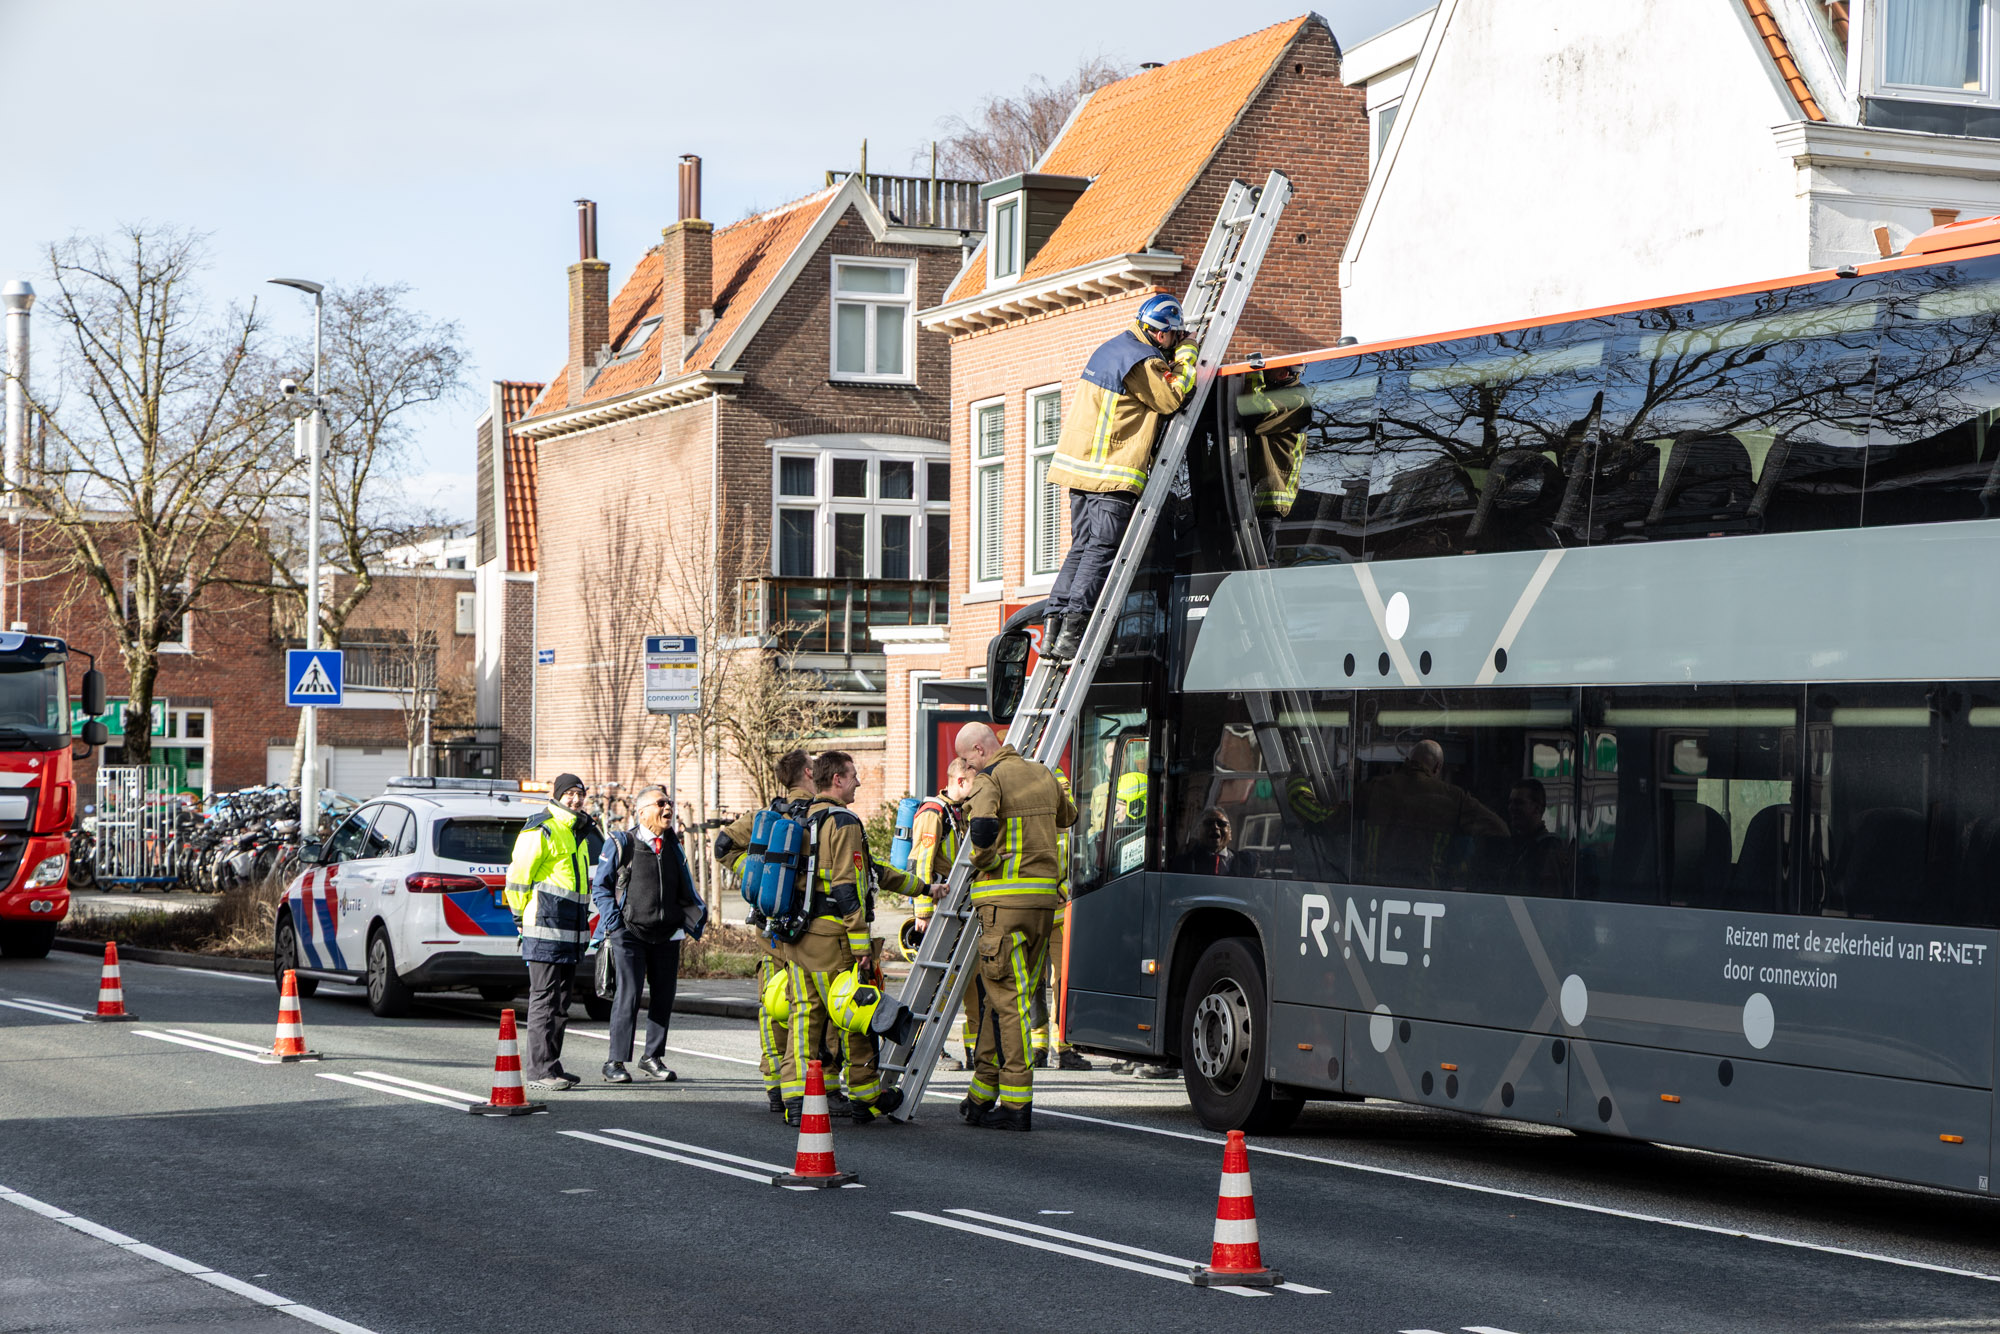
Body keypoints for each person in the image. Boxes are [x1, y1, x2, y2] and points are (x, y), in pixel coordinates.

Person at [1043, 292, 1201, 662]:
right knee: (1100, 551)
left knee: (1081, 547)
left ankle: (1053, 627)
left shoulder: (1111, 348)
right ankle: (1072, 634)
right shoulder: (1142, 361)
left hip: (1080, 470)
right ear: (1161, 335)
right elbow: (1173, 398)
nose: (1176, 342)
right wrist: (1188, 356)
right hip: (1111, 472)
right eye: (1175, 336)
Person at [778, 750, 924, 1125]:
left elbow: (872, 870)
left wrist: (923, 887)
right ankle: (866, 1095)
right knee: (855, 1012)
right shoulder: (843, 821)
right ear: (837, 780)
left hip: (799, 935)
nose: (859, 781)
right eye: (853, 775)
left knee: (803, 1016)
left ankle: (796, 1100)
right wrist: (860, 943)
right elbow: (848, 886)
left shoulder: (804, 816)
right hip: (832, 938)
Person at [954, 722, 1077, 1131]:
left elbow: (983, 827)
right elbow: (1069, 815)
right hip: (1044, 905)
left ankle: (1017, 1103)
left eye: (968, 759)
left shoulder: (990, 778)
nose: (967, 767)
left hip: (1003, 905)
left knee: (1009, 1002)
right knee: (1001, 997)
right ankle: (981, 1094)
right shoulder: (1043, 772)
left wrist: (980, 861)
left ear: (979, 749)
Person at [714, 748, 813, 1113]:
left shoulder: (765, 815)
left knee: (773, 1005)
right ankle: (808, 1083)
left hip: (769, 926)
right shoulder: (822, 814)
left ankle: (774, 1082)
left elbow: (722, 846)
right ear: (806, 772)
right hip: (807, 929)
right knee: (806, 1007)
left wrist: (758, 875)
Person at [591, 784, 706, 1084]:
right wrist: (614, 922)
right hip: (628, 932)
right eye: (660, 804)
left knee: (664, 997)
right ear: (642, 812)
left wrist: (688, 918)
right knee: (628, 995)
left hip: (667, 933)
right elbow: (600, 887)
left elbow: (685, 887)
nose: (668, 809)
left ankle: (652, 1057)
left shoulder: (673, 844)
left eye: (669, 804)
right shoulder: (621, 842)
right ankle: (614, 1061)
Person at [504, 773, 604, 1092]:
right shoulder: (542, 827)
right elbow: (519, 877)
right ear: (558, 795)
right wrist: (520, 916)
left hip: (569, 931)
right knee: (545, 1001)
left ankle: (552, 1063)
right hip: (545, 928)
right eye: (570, 793)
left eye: (580, 794)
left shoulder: (578, 832)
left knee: (560, 1003)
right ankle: (538, 1070)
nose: (576, 799)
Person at [1355, 740, 1507, 890]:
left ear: (1407, 761)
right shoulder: (1453, 798)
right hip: (1427, 893)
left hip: (1374, 891)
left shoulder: (1374, 789)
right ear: (1437, 767)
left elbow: (1337, 821)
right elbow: (1499, 829)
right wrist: (1461, 868)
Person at [906, 758, 979, 1069]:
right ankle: (927, 1048)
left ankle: (977, 1050)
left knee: (969, 982)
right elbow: (921, 861)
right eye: (974, 784)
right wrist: (922, 910)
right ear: (960, 781)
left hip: (957, 907)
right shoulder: (934, 813)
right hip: (937, 909)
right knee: (937, 983)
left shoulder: (957, 812)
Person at [1233, 363, 1308, 559]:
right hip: (1250, 492)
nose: (1265, 370)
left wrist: (1253, 371)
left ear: (1285, 372)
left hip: (1270, 501)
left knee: (1261, 566)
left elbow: (1255, 416)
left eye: (1269, 366)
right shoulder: (1272, 391)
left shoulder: (1297, 400)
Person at [1501, 777, 1572, 895]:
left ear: (1537, 808)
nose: (1511, 808)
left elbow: (1548, 902)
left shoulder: (1548, 850)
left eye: (1519, 803)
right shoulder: (1522, 847)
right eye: (1510, 802)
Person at [1169, 807, 1259, 877]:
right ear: (1197, 832)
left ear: (1230, 834)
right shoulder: (1182, 864)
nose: (1215, 827)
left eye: (1221, 824)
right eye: (1208, 823)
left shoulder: (1248, 863)